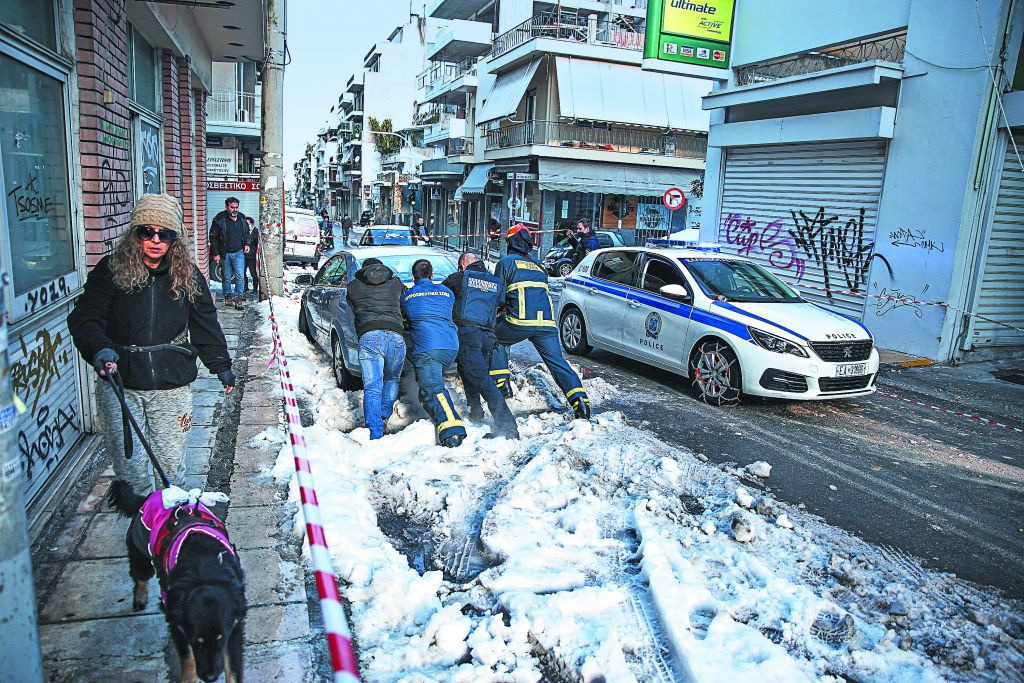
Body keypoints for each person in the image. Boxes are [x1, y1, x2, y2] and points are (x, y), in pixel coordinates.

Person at [68, 193, 235, 493]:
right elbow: (86, 317)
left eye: (165, 234)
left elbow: (205, 323)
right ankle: (139, 518)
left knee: (170, 467)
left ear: (174, 239)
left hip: (171, 384)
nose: (156, 240)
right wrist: (99, 348)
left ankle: (170, 516)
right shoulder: (110, 270)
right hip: (122, 383)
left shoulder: (187, 275)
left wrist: (221, 364)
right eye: (147, 231)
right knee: (130, 470)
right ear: (135, 234)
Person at [490, 224, 590, 420]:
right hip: (546, 324)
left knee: (495, 338)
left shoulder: (505, 263)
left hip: (519, 321)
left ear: (511, 243)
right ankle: (580, 402)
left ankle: (502, 384)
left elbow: (499, 298)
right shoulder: (538, 265)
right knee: (557, 362)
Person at [442, 253, 519, 440]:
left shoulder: (460, 278)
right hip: (487, 336)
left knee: (482, 379)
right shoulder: (496, 282)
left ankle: (508, 426)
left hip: (468, 334)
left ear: (462, 265)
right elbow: (501, 303)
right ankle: (476, 411)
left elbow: (440, 294)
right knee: (467, 370)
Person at [400, 259, 467, 448]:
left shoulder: (408, 296)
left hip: (429, 348)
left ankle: (452, 431)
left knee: (433, 389)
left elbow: (405, 316)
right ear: (432, 275)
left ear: (413, 277)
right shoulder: (447, 292)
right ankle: (434, 415)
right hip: (451, 346)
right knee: (428, 388)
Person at [346, 258, 406, 440]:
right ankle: (383, 414)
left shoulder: (353, 287)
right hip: (396, 336)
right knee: (392, 378)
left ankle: (375, 432)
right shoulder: (396, 283)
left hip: (370, 336)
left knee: (373, 386)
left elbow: (350, 308)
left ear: (364, 271)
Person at [210, 196, 251, 309]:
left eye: (236, 207)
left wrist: (247, 244)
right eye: (232, 207)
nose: (235, 210)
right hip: (224, 253)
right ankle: (228, 296)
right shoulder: (219, 219)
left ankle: (238, 298)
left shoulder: (242, 218)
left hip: (239, 252)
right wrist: (216, 253)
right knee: (226, 277)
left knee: (240, 276)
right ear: (226, 207)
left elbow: (247, 233)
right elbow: (213, 237)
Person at [243, 217, 262, 300]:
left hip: (252, 256)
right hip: (244, 255)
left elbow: (257, 244)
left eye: (248, 223)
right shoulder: (243, 231)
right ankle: (245, 287)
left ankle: (255, 289)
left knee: (253, 273)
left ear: (252, 223)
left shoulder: (256, 232)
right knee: (242, 272)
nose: (247, 225)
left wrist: (251, 251)